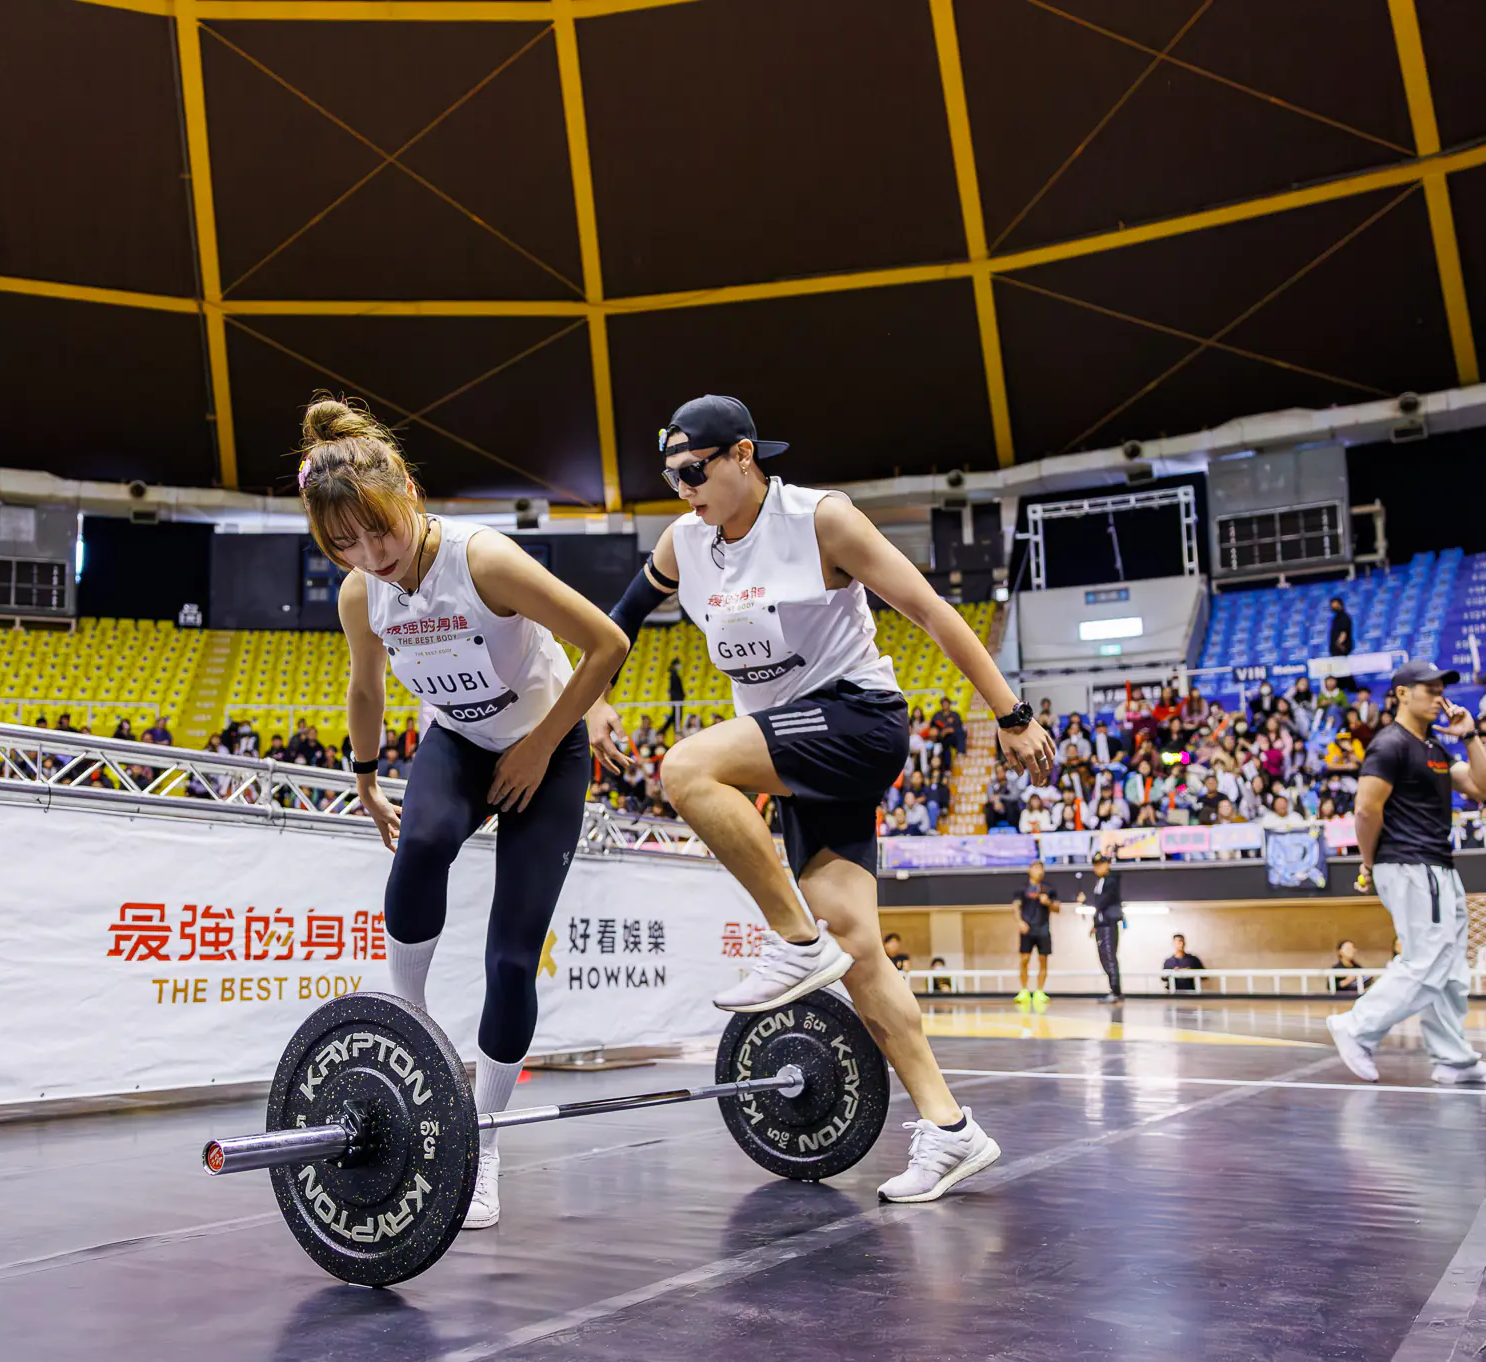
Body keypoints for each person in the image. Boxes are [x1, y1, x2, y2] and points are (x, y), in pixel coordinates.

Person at [595, 393, 1055, 1204]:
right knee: (859, 949)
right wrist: (595, 695)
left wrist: (1009, 713)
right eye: (670, 478)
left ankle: (792, 940)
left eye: (694, 471)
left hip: (858, 721)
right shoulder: (684, 543)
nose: (683, 490)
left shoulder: (821, 521)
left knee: (686, 769)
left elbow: (929, 609)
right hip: (794, 744)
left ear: (743, 455)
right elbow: (620, 621)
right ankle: (951, 1131)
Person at [297, 397, 632, 1228]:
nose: (372, 556)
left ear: (409, 490)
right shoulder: (359, 595)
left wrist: (541, 743)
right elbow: (366, 685)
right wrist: (367, 774)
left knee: (510, 961)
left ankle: (483, 1141)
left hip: (546, 752)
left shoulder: (486, 562)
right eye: (345, 546)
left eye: (381, 532)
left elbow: (608, 646)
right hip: (459, 742)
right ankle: (406, 1020)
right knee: (423, 844)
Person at [1325, 660, 1486, 1085]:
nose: (1437, 696)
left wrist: (1470, 736)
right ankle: (1355, 1026)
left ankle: (1453, 1060)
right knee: (1426, 961)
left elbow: (1484, 788)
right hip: (1408, 863)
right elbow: (1366, 809)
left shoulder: (1434, 749)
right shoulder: (1389, 745)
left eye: (1439, 688)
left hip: (1438, 866)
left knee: (1449, 968)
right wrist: (1370, 864)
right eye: (1427, 689)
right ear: (1402, 694)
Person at [1079, 851, 1124, 1001]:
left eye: (1100, 864)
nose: (1097, 868)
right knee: (1104, 956)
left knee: (1110, 956)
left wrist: (1086, 900)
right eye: (1095, 865)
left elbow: (1102, 902)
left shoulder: (1111, 880)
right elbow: (1099, 908)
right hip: (1102, 924)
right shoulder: (1101, 881)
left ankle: (1116, 991)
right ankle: (1113, 990)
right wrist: (1095, 924)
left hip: (1109, 924)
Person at [1013, 861, 1057, 1004]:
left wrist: (1048, 903)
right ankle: (1024, 990)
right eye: (1036, 868)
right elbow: (1015, 906)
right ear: (1030, 870)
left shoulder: (1048, 888)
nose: (1039, 871)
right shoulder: (1022, 889)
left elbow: (1057, 907)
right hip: (1027, 929)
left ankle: (1039, 990)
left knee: (1043, 960)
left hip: (1043, 929)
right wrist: (1020, 922)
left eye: (1041, 868)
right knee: (1024, 959)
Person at [1329, 597, 1355, 690]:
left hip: (1340, 649)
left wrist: (1340, 645)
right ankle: (1345, 687)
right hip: (1337, 649)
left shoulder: (1344, 617)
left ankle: (1351, 688)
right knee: (1341, 669)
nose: (1333, 607)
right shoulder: (1336, 618)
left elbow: (1343, 632)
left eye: (1335, 604)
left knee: (1343, 669)